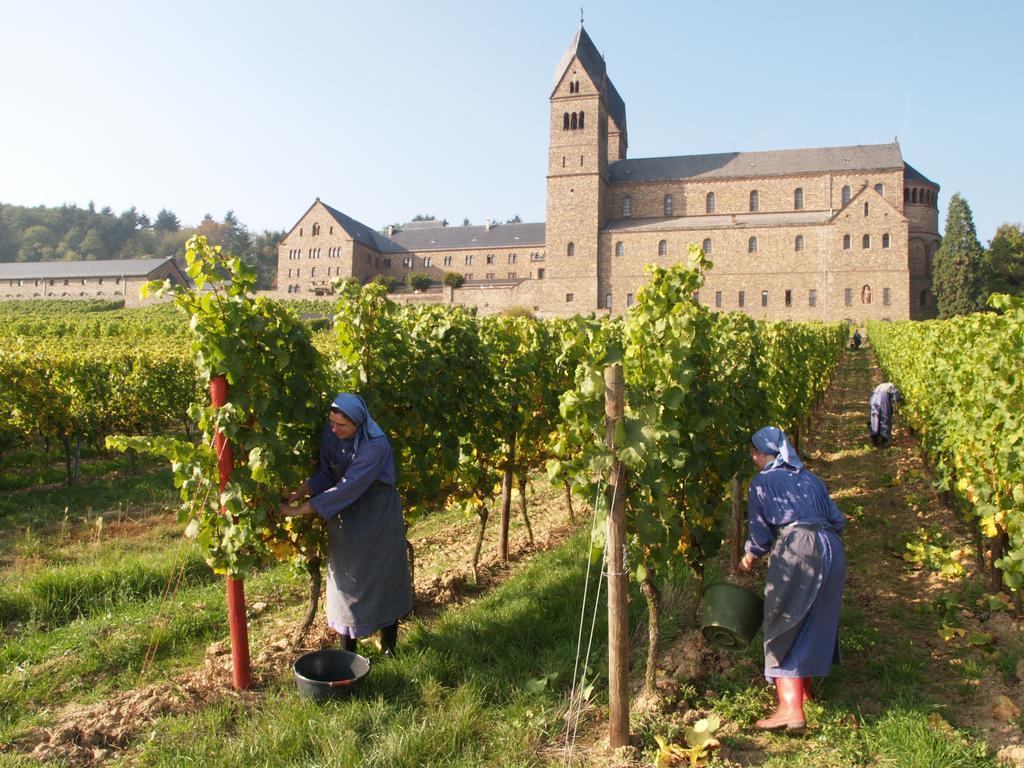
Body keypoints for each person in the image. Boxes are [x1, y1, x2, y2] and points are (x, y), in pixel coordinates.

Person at [282, 393, 413, 656]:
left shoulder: (376, 446)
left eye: (342, 425)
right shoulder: (332, 433)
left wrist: (300, 511)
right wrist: (301, 490)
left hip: (377, 516)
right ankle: (348, 654)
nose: (334, 429)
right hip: (346, 515)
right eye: (332, 422)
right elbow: (327, 473)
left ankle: (390, 649)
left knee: (382, 577)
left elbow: (349, 485)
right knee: (347, 581)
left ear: (358, 423)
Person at [739, 426, 846, 731]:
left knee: (783, 620)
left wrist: (749, 558)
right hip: (831, 547)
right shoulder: (811, 479)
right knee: (815, 616)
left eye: (754, 455)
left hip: (799, 548)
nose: (753, 460)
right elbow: (839, 521)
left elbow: (759, 536)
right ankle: (804, 693)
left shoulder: (762, 483)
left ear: (762, 454)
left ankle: (790, 709)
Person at [869, 382, 901, 448]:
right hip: (883, 397)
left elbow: (871, 398)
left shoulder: (879, 386)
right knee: (885, 416)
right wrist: (897, 404)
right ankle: (884, 440)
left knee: (875, 418)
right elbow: (896, 396)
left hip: (874, 398)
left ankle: (875, 440)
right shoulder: (892, 386)